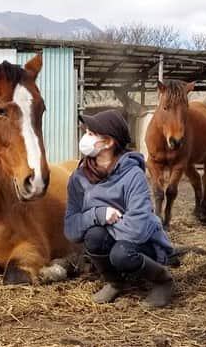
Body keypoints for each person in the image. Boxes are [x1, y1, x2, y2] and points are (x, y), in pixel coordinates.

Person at [64, 109, 177, 308]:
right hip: (118, 237)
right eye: (86, 132)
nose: (85, 138)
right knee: (93, 236)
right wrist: (99, 215)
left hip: (144, 243)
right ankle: (116, 282)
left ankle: (163, 281)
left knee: (121, 253)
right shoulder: (79, 178)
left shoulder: (133, 175)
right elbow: (71, 228)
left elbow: (137, 229)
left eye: (91, 134)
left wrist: (108, 224)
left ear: (108, 142)